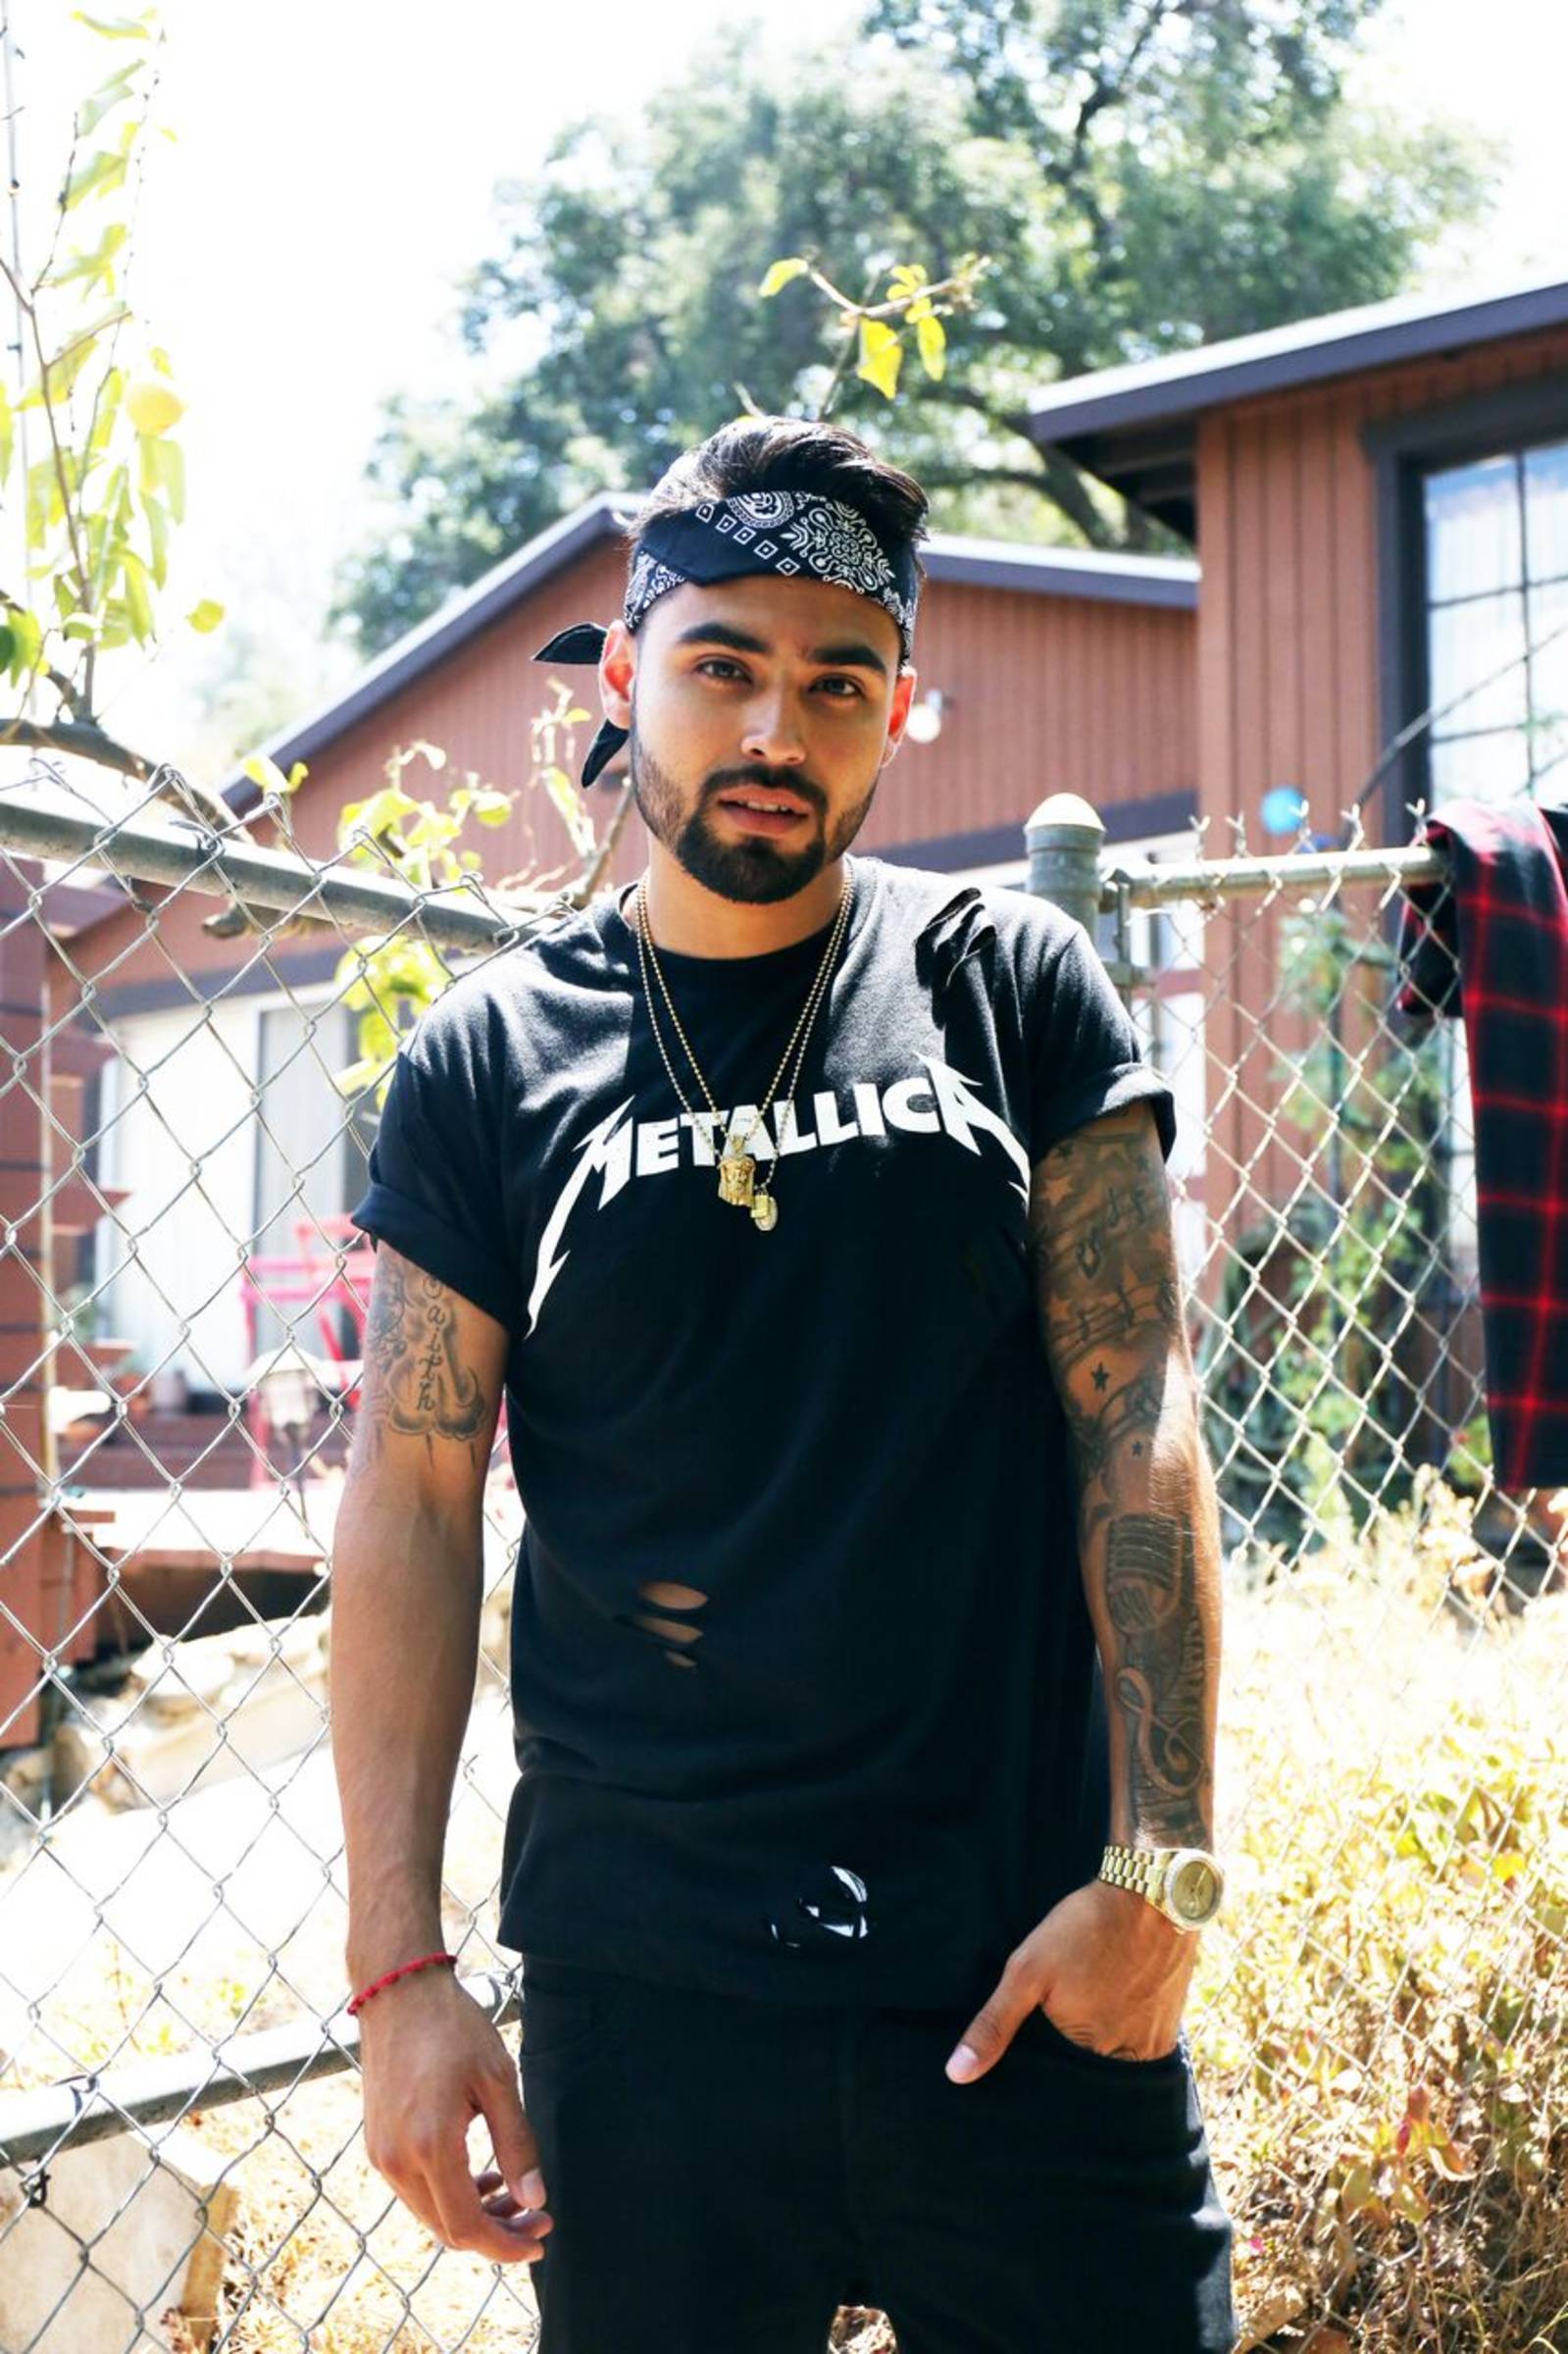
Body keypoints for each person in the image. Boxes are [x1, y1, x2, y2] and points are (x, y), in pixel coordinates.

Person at [330, 415, 1239, 2354]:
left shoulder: (1011, 985)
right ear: (623, 676)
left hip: (1019, 1965)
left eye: (836, 682)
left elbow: (1136, 1416)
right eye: (720, 664)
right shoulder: (486, 1066)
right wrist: (399, 1971)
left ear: (896, 709)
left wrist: (1159, 1866)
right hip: (649, 2006)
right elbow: (410, 1497)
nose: (774, 727)